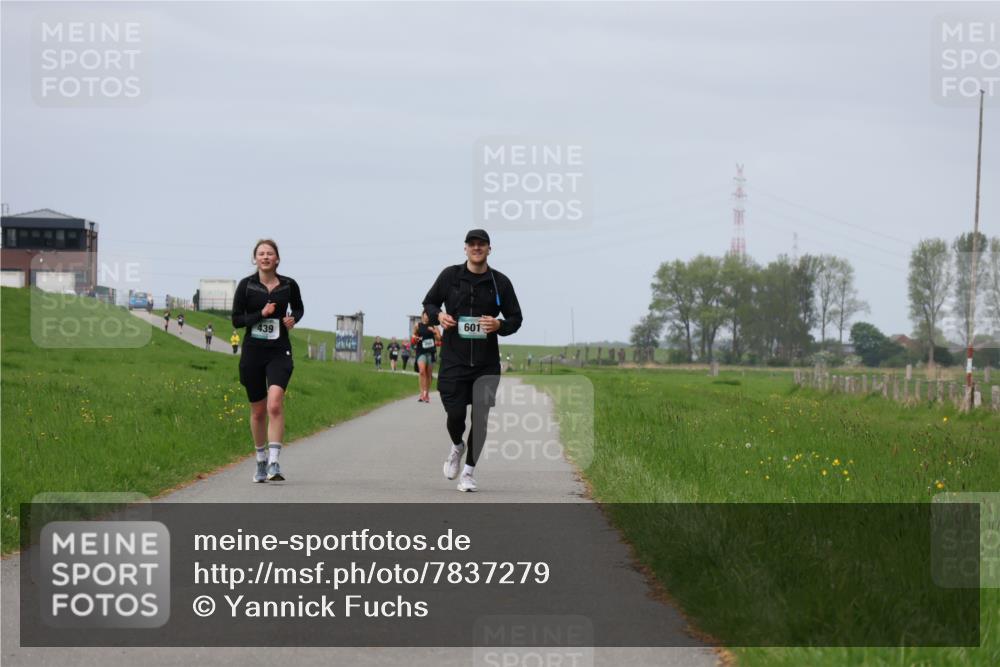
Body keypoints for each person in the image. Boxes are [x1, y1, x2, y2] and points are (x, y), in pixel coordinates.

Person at [422, 229, 522, 492]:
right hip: (454, 360)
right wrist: (439, 317)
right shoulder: (450, 276)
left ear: (490, 249)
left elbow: (516, 319)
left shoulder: (500, 282)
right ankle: (457, 445)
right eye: (472, 244)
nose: (477, 248)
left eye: (482, 244)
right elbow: (429, 304)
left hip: (486, 363)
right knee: (455, 415)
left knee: (480, 418)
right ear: (465, 248)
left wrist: (498, 324)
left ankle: (468, 472)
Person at [232, 239, 304, 483]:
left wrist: (293, 319)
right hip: (253, 352)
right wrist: (259, 315)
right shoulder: (246, 286)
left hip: (279, 350)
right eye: (261, 253)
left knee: (274, 404)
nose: (265, 257)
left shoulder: (289, 285)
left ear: (277, 259)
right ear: (255, 259)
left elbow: (299, 309)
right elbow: (236, 320)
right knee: (258, 410)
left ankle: (274, 462)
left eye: (269, 254)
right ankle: (261, 461)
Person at [412, 311, 441, 403]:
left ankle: (427, 394)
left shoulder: (434, 326)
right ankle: (422, 394)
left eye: (429, 315)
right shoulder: (418, 325)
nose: (427, 317)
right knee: (421, 371)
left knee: (428, 374)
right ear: (422, 315)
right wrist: (415, 338)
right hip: (421, 351)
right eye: (425, 315)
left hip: (431, 352)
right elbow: (414, 335)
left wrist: (434, 332)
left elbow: (439, 338)